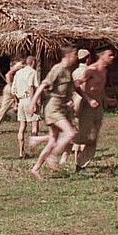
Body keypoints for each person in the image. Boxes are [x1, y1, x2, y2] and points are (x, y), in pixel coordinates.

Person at [29, 45, 80, 179]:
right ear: (68, 55)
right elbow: (43, 85)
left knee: (52, 141)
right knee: (70, 133)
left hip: (61, 108)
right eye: (75, 54)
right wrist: (33, 102)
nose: (76, 57)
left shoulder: (68, 71)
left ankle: (36, 168)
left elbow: (71, 89)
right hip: (53, 108)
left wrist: (75, 99)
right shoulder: (58, 69)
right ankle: (52, 156)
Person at [73, 46, 116, 175]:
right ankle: (55, 141)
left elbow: (99, 89)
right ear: (101, 56)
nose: (112, 57)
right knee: (85, 136)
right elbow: (76, 86)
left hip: (98, 106)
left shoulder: (104, 71)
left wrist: (106, 99)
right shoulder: (91, 70)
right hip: (87, 106)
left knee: (93, 138)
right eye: (110, 55)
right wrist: (89, 100)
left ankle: (81, 167)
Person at [11, 56, 40, 158]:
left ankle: (21, 152)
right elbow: (31, 87)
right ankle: (32, 151)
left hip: (21, 101)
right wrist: (33, 102)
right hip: (29, 99)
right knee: (34, 126)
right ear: (33, 63)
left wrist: (16, 102)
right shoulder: (33, 72)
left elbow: (13, 90)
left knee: (22, 127)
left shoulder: (18, 73)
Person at [0, 55, 27, 134]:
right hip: (12, 88)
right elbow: (8, 75)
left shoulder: (20, 66)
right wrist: (11, 86)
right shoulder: (19, 66)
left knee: (5, 107)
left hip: (14, 88)